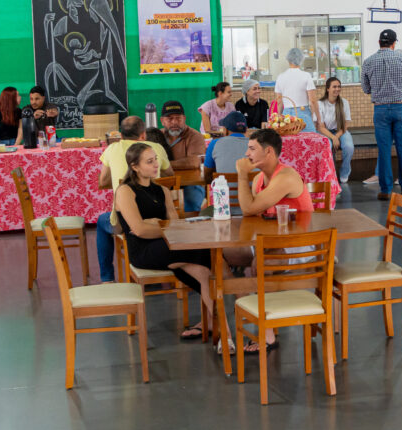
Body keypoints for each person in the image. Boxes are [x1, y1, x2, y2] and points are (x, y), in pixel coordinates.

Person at [114, 143, 224, 349]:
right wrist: (162, 226)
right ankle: (221, 327)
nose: (156, 164)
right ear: (134, 167)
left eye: (155, 159)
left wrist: (157, 225)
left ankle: (214, 322)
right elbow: (139, 231)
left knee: (203, 265)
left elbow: (176, 226)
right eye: (149, 162)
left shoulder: (162, 190)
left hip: (168, 244)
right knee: (203, 262)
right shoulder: (125, 191)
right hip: (143, 251)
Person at [230, 129, 315, 354]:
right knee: (222, 254)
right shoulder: (259, 179)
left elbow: (248, 208)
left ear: (268, 151)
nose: (246, 154)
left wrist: (241, 175)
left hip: (299, 245)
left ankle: (267, 334)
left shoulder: (286, 177)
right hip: (270, 242)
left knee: (261, 263)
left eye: (252, 149)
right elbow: (250, 213)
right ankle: (243, 308)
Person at [95, 116, 173, 284]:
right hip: (156, 214)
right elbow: (170, 175)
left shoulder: (112, 148)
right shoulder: (156, 148)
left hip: (126, 223)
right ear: (143, 135)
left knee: (101, 221)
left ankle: (107, 277)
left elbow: (103, 182)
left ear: (121, 135)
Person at [361, 28, 402, 199]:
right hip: (401, 108)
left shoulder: (368, 61)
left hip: (381, 109)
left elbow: (366, 88)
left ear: (379, 42)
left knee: (384, 151)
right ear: (394, 44)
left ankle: (385, 190)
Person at [161, 100, 207, 213]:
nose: (174, 122)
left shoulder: (195, 136)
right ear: (162, 121)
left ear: (184, 119)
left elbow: (194, 162)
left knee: (191, 201)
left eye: (178, 118)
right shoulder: (158, 136)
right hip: (164, 182)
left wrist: (164, 165)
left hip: (190, 184)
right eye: (170, 119)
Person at [203, 111, 250, 215]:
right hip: (252, 208)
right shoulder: (256, 145)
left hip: (223, 209)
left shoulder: (215, 143)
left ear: (225, 130)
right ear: (246, 130)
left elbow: (207, 175)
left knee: (203, 212)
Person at [315, 77, 353, 184]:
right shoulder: (320, 104)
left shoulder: (344, 102)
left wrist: (336, 136)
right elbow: (320, 127)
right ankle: (331, 174)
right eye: (334, 87)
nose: (337, 89)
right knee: (328, 146)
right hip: (325, 131)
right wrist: (333, 137)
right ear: (328, 89)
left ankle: (345, 172)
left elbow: (345, 125)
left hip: (340, 131)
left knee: (349, 147)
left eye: (339, 86)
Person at [274, 48, 320, 133]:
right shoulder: (306, 76)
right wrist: (318, 119)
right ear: (301, 59)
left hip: (286, 115)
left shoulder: (280, 77)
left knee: (290, 139)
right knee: (309, 138)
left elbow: (279, 102)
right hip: (303, 113)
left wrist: (280, 118)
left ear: (288, 59)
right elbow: (313, 101)